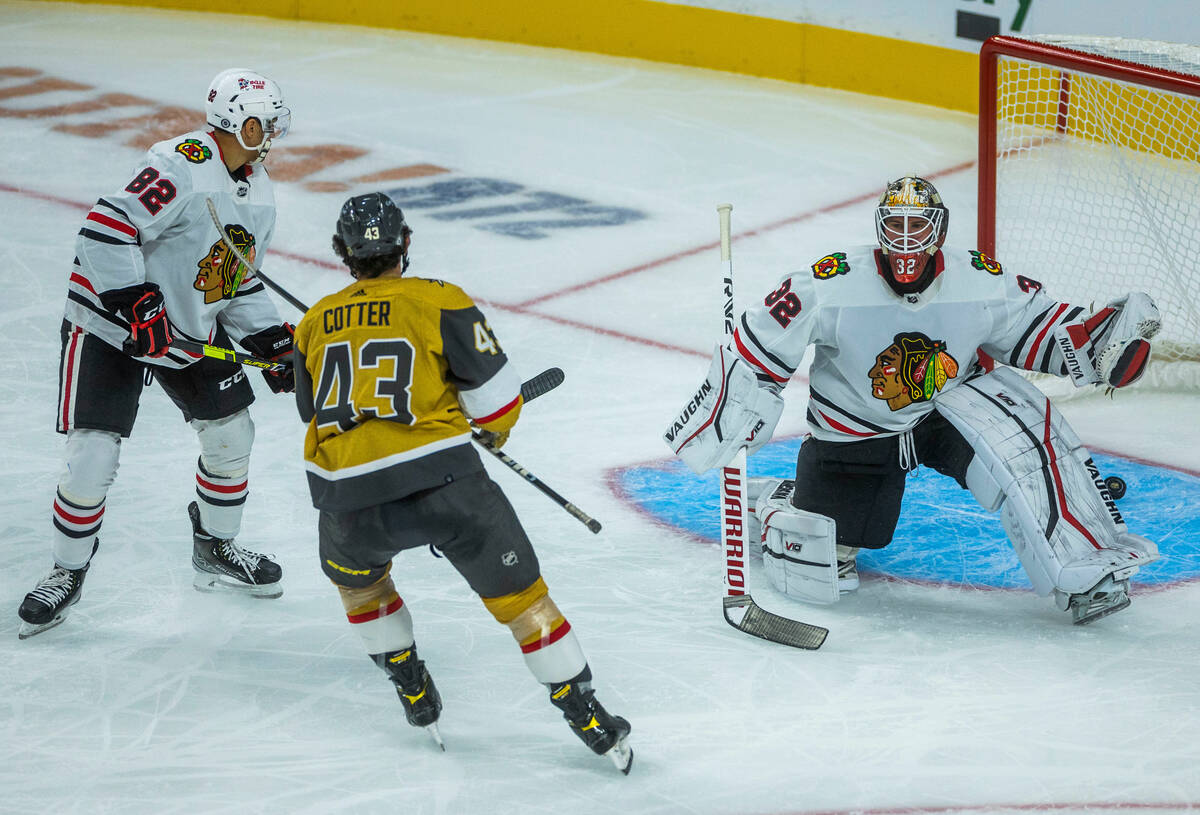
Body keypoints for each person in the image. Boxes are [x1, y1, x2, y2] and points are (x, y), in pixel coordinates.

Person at [665, 175, 1163, 625]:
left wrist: (1090, 345)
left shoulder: (979, 278)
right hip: (856, 428)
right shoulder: (830, 279)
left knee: (1026, 456)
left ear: (938, 230)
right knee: (826, 568)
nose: (906, 239)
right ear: (880, 228)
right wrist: (741, 399)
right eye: (896, 225)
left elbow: (1036, 327)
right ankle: (781, 504)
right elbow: (759, 342)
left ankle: (1087, 569)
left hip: (950, 412)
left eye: (917, 225)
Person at [292, 192, 633, 772]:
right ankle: (588, 716)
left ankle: (411, 685)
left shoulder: (312, 322)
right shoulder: (439, 299)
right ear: (406, 243)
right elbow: (497, 403)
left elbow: (311, 408)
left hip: (348, 499)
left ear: (340, 253)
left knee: (361, 588)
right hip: (447, 486)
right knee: (525, 603)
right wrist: (491, 434)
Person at [17, 68, 297, 639]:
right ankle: (65, 572)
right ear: (232, 122)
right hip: (110, 326)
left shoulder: (258, 192)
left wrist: (271, 340)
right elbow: (104, 227)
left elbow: (231, 281)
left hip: (184, 331)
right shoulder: (183, 163)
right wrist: (137, 304)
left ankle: (215, 547)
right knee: (93, 455)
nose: (268, 133)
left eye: (272, 122)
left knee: (231, 435)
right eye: (258, 122)